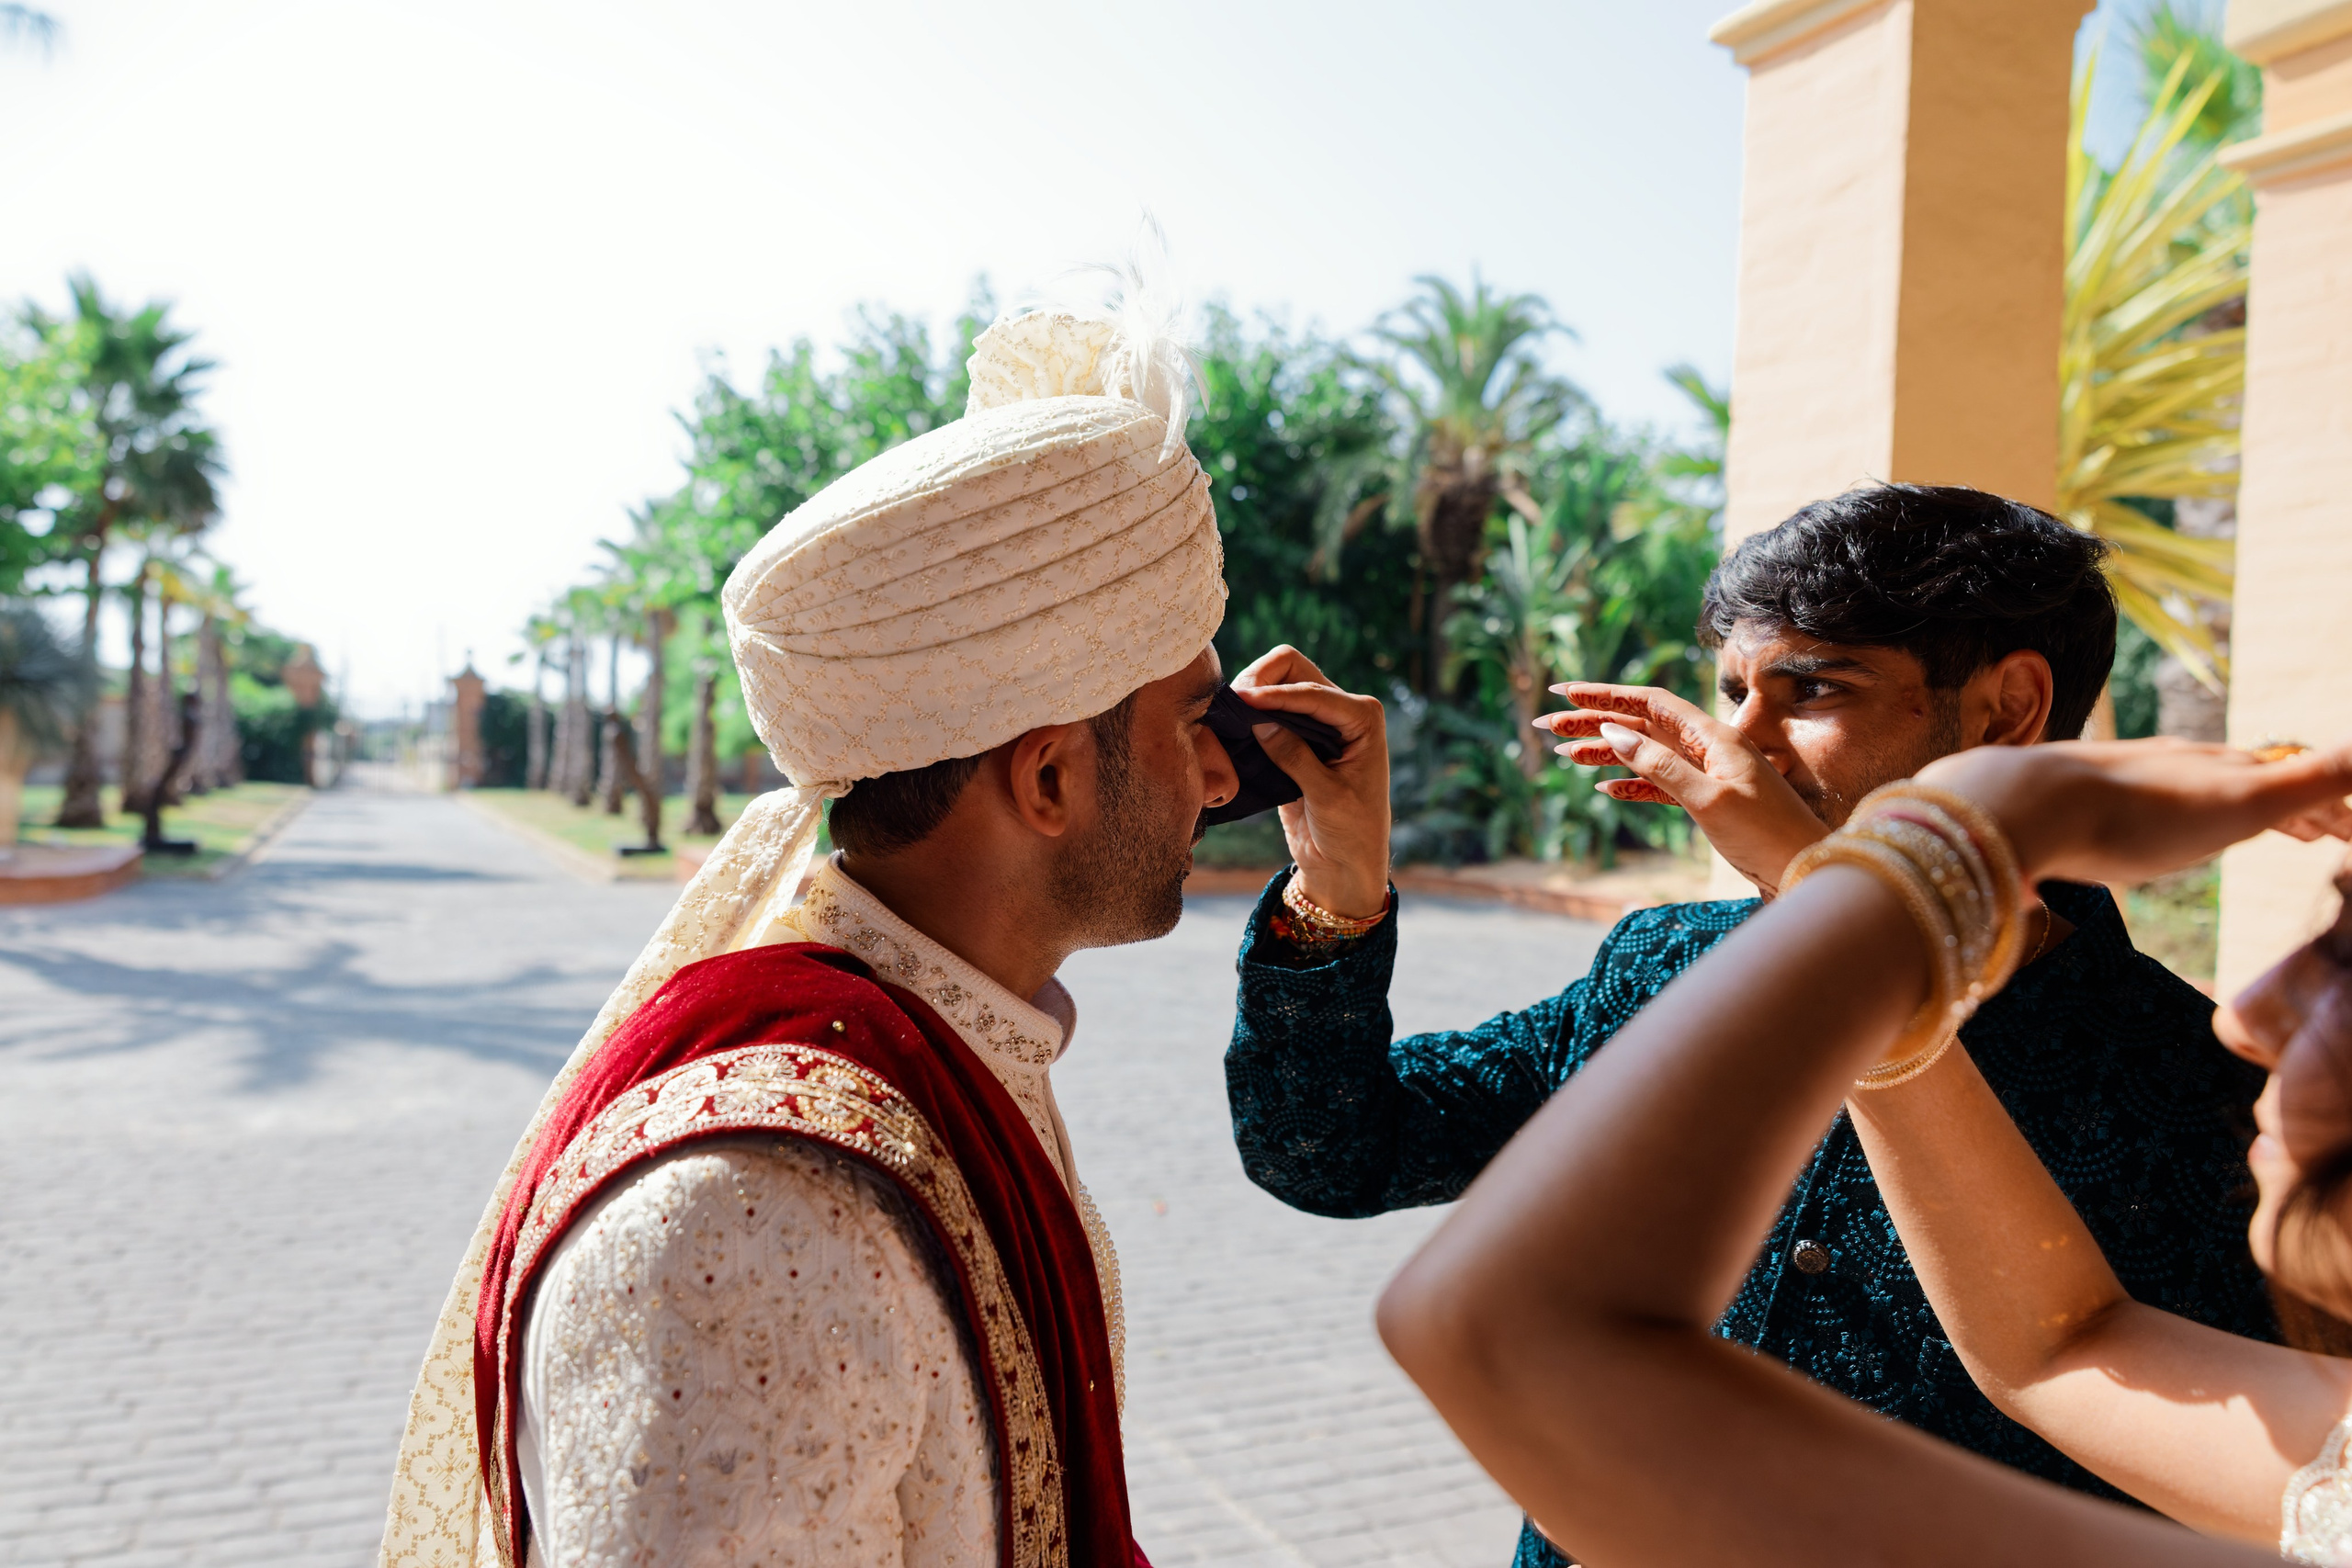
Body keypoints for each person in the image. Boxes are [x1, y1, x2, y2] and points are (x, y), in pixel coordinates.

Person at [1223, 484, 2274, 1566]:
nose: (1739, 747)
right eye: (1729, 693)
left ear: (2008, 708)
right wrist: (1337, 888)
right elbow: (1333, 1151)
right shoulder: (1665, 967)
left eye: (1807, 688)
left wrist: (1833, 893)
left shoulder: (2199, 1089)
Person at [379, 305, 1240, 1568]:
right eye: (1194, 718)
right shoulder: (744, 1221)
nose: (1222, 776)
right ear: (1048, 781)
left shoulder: (954, 1042)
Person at [1374, 737, 2352, 1568]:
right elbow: (2063, 1346)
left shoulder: (2163, 1059)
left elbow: (1516, 1339)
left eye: (2345, 955)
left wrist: (1959, 841)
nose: (2252, 1017)